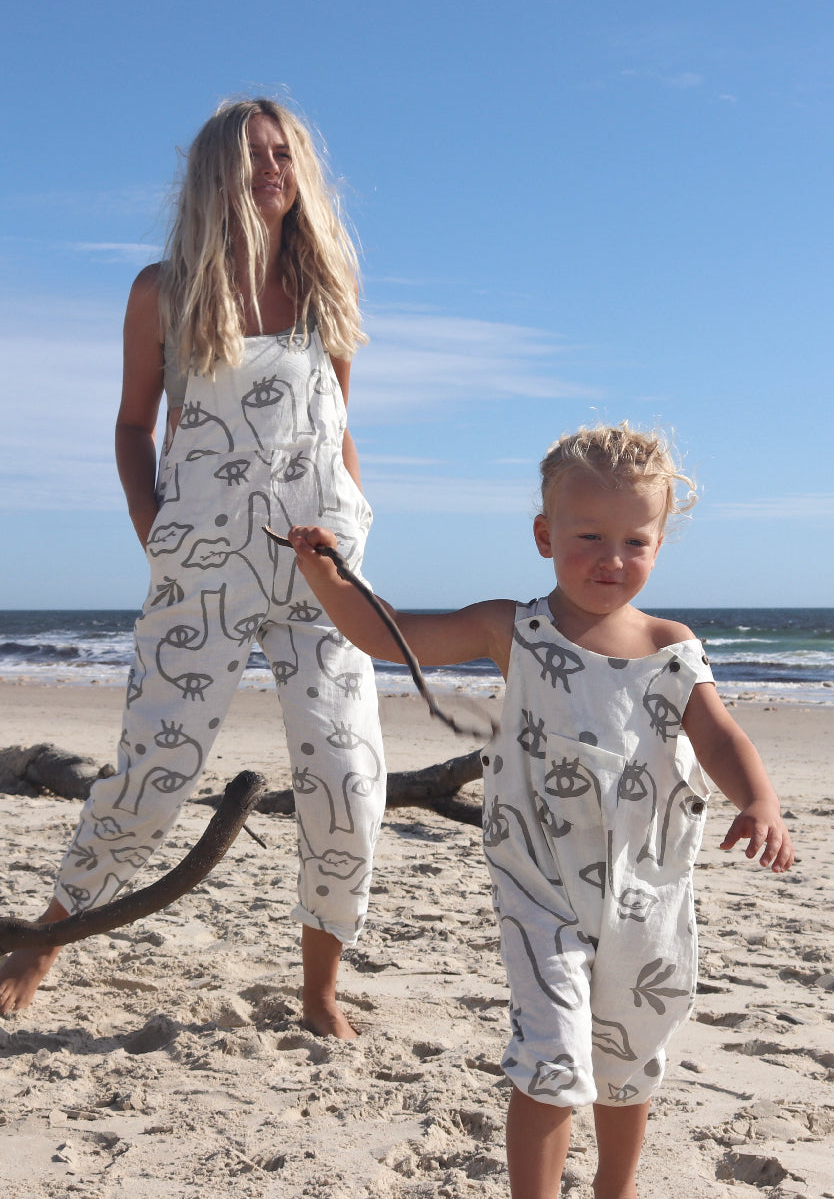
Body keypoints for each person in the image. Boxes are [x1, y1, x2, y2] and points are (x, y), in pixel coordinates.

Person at [286, 422, 794, 1197]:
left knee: (627, 1065)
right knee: (550, 1056)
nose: (611, 559)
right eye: (589, 535)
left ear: (659, 545)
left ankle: (613, 1190)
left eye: (635, 541)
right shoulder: (513, 629)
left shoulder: (671, 646)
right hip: (540, 891)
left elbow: (719, 735)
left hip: (646, 896)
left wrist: (758, 799)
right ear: (543, 534)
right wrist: (330, 579)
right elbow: (394, 638)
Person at [0, 98, 386, 1039]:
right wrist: (153, 526)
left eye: (286, 153)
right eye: (254, 154)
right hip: (200, 569)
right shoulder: (163, 291)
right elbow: (135, 426)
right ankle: (49, 936)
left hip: (322, 571)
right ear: (214, 170)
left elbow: (337, 427)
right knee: (153, 774)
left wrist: (357, 531)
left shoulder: (327, 282)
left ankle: (320, 990)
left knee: (348, 779)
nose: (273, 168)